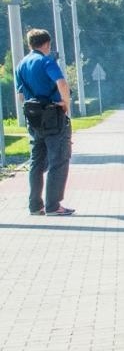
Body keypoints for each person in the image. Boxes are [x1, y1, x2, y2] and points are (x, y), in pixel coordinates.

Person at [16, 28, 73, 217]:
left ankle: (35, 205)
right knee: (59, 159)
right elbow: (61, 83)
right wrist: (65, 103)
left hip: (33, 118)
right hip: (53, 117)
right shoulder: (47, 61)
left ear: (30, 44)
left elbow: (20, 95)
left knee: (36, 162)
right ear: (47, 44)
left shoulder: (21, 64)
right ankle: (53, 205)